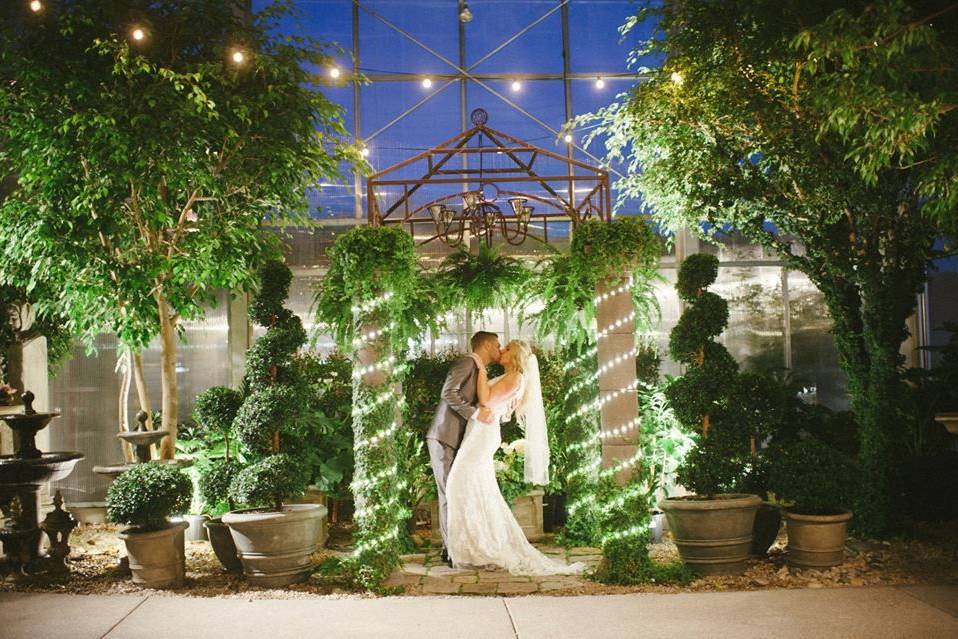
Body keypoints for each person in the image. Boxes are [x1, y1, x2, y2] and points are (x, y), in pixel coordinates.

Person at [444, 339, 584, 576]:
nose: (502, 351)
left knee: (460, 483)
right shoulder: (511, 376)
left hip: (483, 435)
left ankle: (481, 546)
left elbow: (486, 400)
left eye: (506, 349)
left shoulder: (515, 378)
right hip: (479, 432)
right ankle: (476, 546)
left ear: (515, 355)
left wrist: (481, 369)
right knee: (474, 487)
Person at [426, 331, 500, 565]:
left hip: (457, 439)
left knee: (456, 493)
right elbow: (448, 392)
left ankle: (454, 548)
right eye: (497, 345)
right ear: (487, 345)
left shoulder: (478, 369)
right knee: (449, 493)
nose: (500, 349)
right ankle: (450, 551)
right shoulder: (467, 362)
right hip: (443, 436)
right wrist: (475, 413)